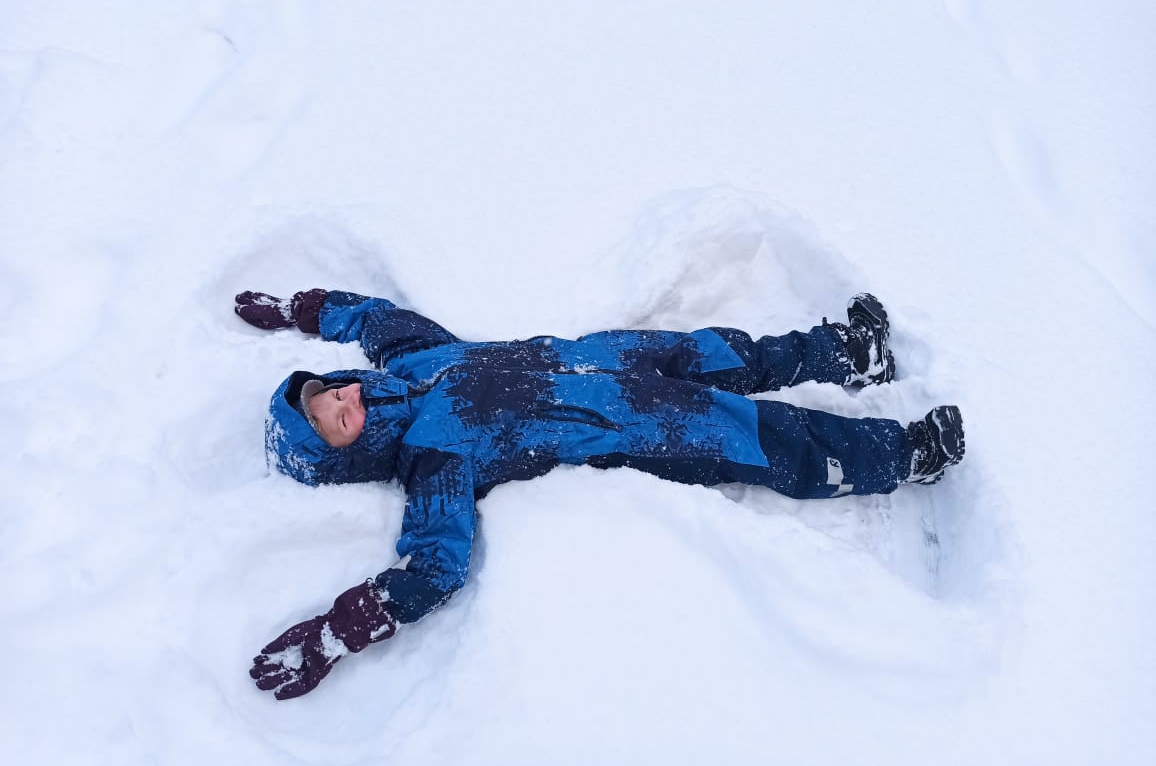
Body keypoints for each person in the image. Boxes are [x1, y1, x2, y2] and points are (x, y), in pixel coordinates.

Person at [235, 288, 965, 699]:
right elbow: (435, 563)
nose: (347, 397)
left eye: (331, 389)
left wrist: (300, 308)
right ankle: (909, 454)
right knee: (765, 438)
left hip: (619, 358)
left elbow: (369, 317)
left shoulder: (413, 356)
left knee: (736, 353)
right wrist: (341, 629)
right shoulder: (433, 463)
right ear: (349, 451)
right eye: (338, 419)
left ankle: (849, 352)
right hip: (639, 426)